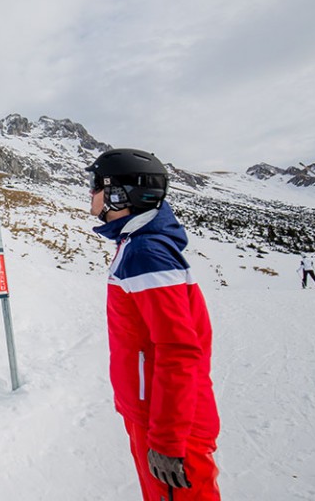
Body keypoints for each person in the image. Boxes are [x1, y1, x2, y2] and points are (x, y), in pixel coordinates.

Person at [86, 149, 220, 501]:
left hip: (168, 424)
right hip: (153, 412)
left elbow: (179, 350)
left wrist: (166, 440)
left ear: (119, 193)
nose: (90, 193)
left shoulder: (147, 253)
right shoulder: (136, 244)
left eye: (95, 185)